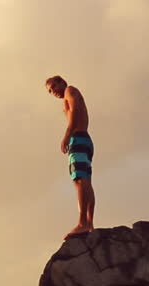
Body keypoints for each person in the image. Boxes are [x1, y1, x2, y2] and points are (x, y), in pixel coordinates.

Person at [45, 75, 96, 239]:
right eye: (50, 92)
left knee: (79, 180)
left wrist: (67, 135)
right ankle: (89, 223)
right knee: (85, 179)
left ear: (61, 81)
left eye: (53, 87)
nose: (53, 92)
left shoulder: (69, 90)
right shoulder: (68, 94)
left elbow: (74, 110)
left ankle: (83, 223)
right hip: (85, 139)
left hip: (79, 138)